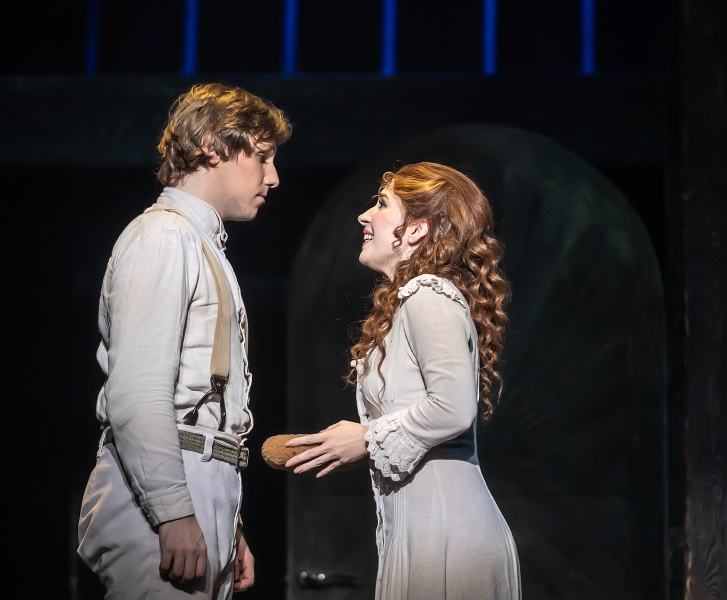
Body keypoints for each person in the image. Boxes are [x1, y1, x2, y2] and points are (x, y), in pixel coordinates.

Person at [77, 82, 292, 599]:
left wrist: (227, 520)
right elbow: (138, 392)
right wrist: (173, 511)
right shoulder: (164, 236)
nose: (273, 176)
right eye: (262, 157)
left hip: (200, 481)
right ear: (213, 147)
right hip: (164, 487)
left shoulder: (196, 240)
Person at [285, 162, 521, 599]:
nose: (365, 216)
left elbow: (453, 407)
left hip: (447, 536)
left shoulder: (428, 294)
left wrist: (366, 439)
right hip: (424, 530)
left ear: (416, 229)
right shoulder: (413, 300)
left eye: (381, 204)